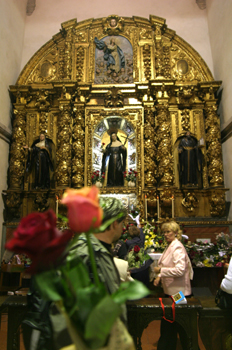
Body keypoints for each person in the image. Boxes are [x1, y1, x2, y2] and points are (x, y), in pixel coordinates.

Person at [153, 221, 193, 350]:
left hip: (179, 292)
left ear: (176, 232)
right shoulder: (171, 245)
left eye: (168, 232)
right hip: (173, 290)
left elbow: (180, 270)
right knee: (172, 322)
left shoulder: (177, 247)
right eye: (164, 232)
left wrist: (161, 272)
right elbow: (167, 265)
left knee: (178, 323)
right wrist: (160, 277)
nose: (165, 234)